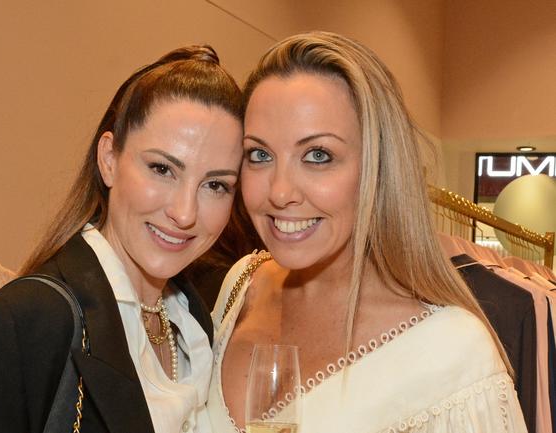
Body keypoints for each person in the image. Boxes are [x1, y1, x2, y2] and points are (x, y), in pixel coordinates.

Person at [207, 32, 528, 432]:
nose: (280, 192)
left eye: (318, 156)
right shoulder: (242, 285)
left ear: (377, 169)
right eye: (260, 155)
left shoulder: (453, 353)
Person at [0, 44, 244, 433]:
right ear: (109, 159)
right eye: (162, 168)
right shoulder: (18, 323)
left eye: (215, 184)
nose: (185, 213)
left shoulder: (196, 319)